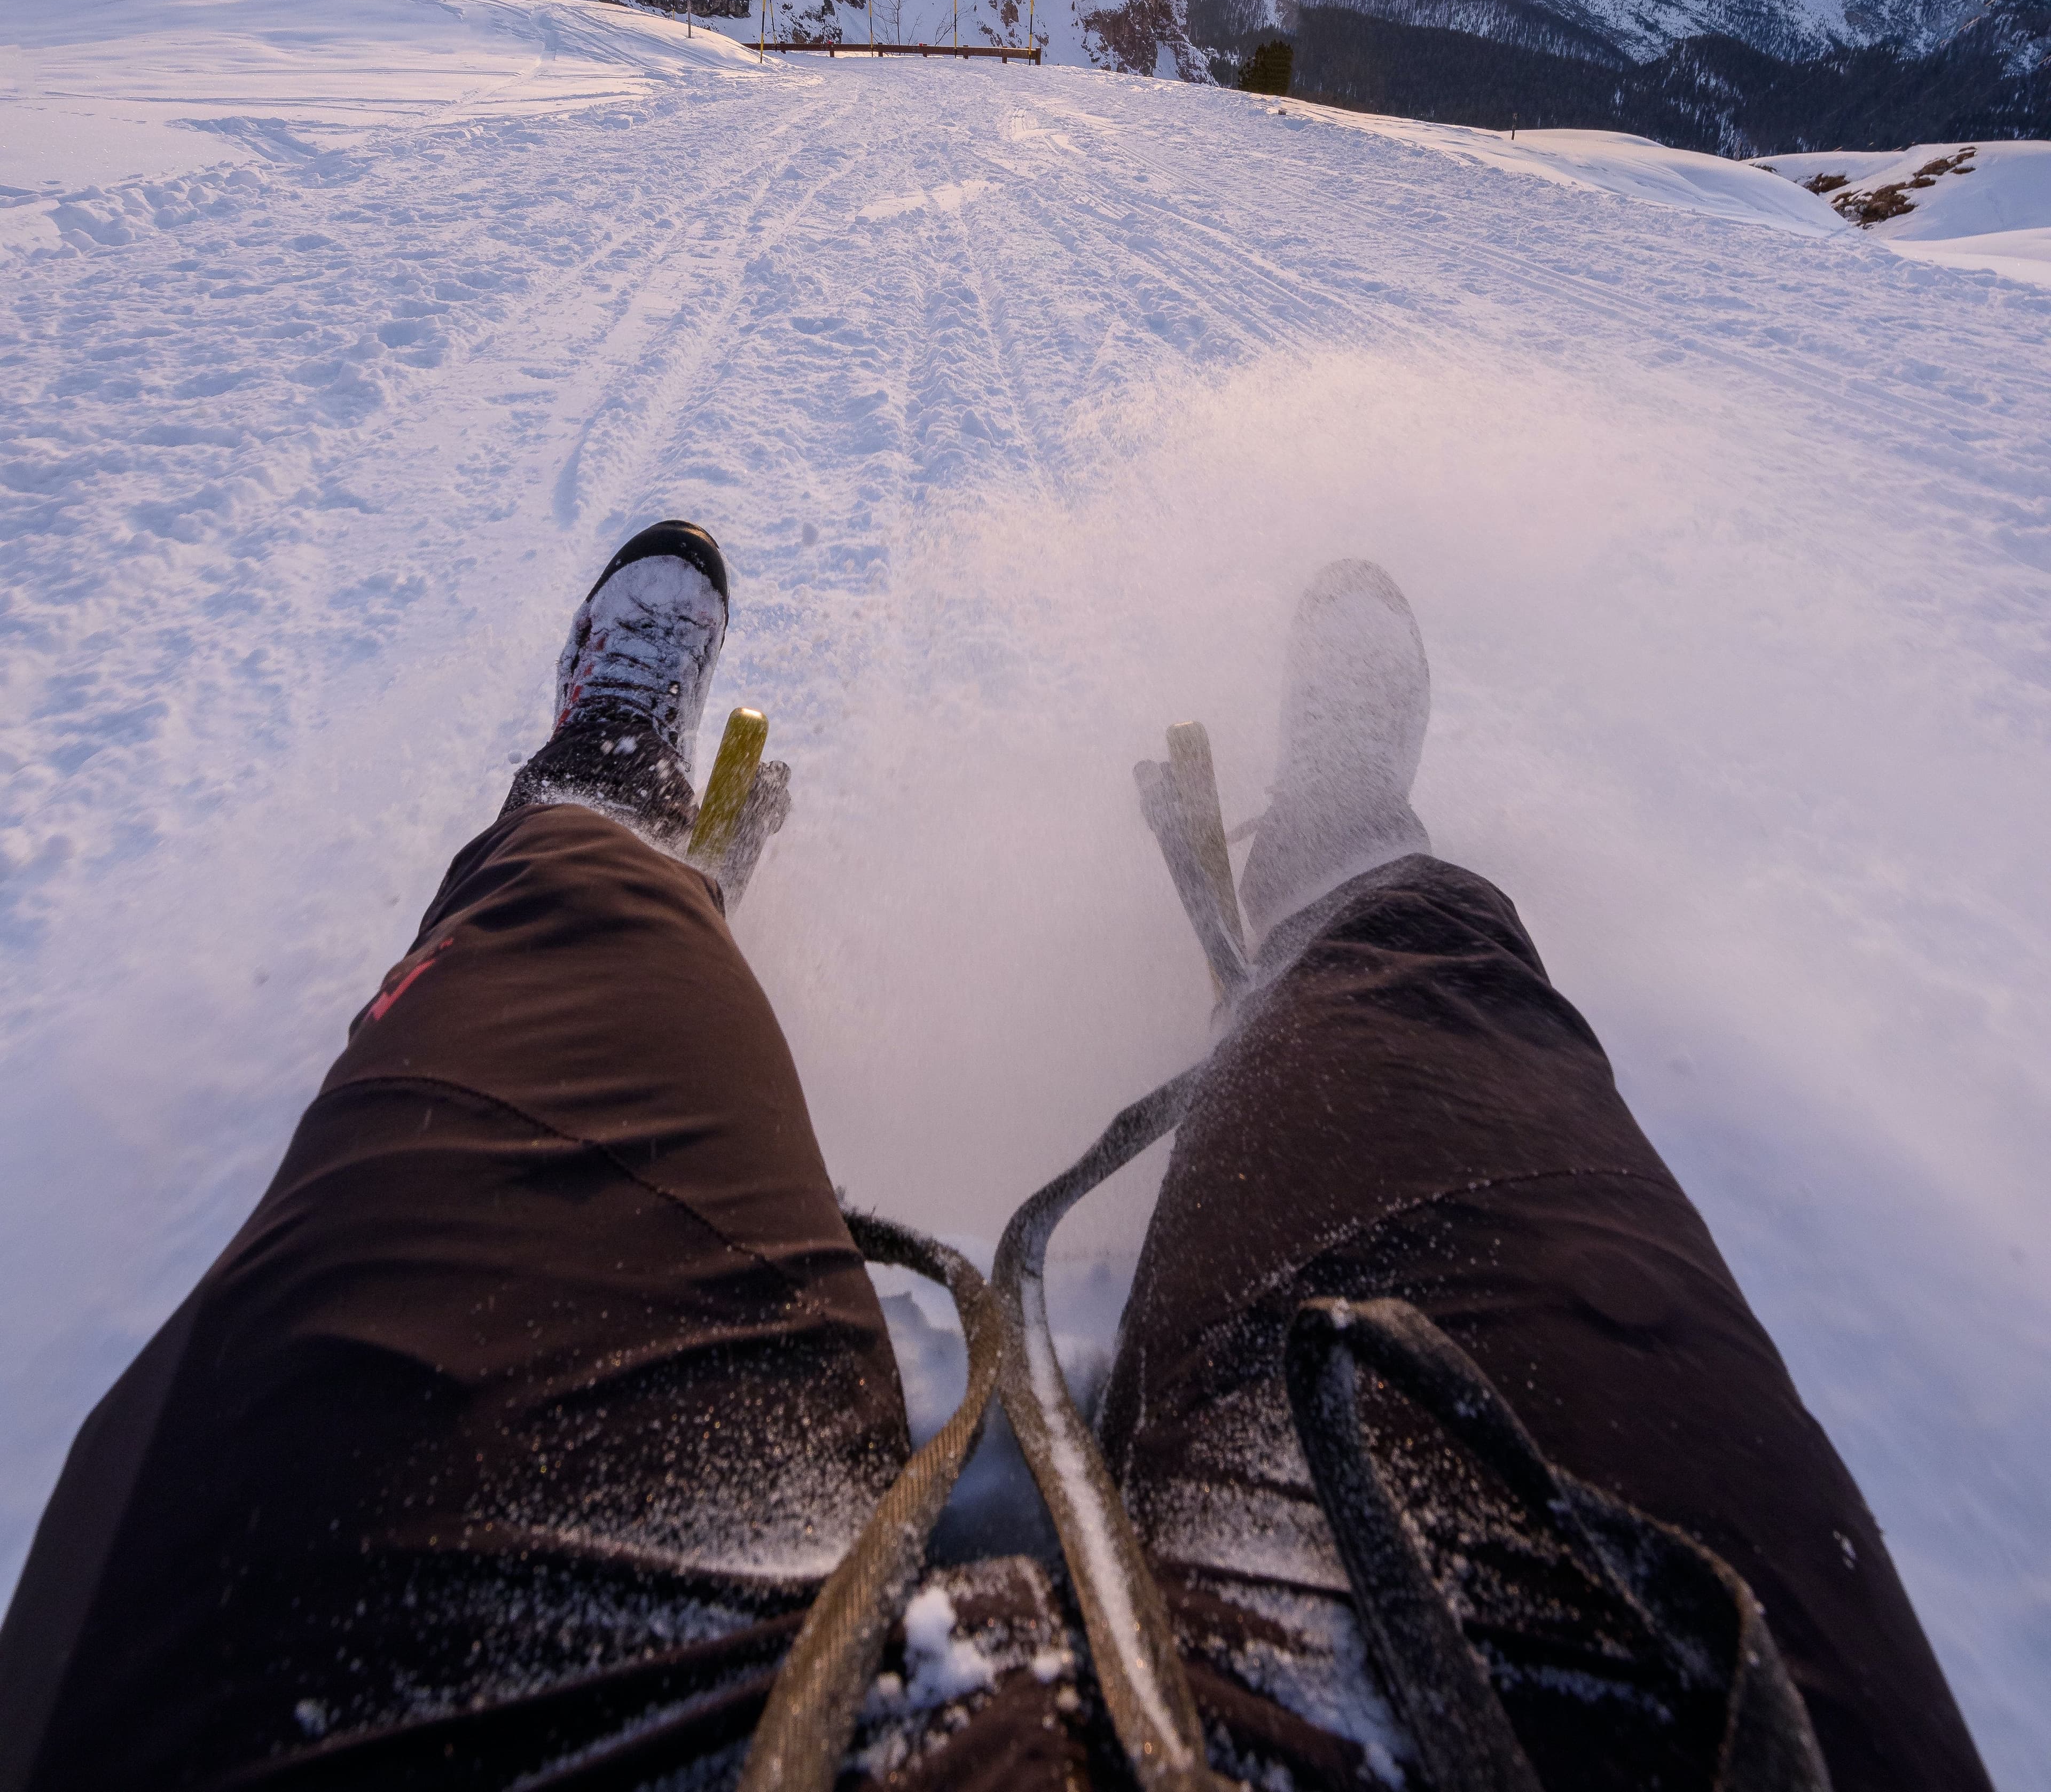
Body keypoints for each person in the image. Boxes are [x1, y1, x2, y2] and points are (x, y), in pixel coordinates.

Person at [0, 527, 1993, 1792]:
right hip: (1541, 1716)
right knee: (1441, 997)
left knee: (541, 968)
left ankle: (598, 809)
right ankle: (1351, 858)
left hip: (497, 1718)